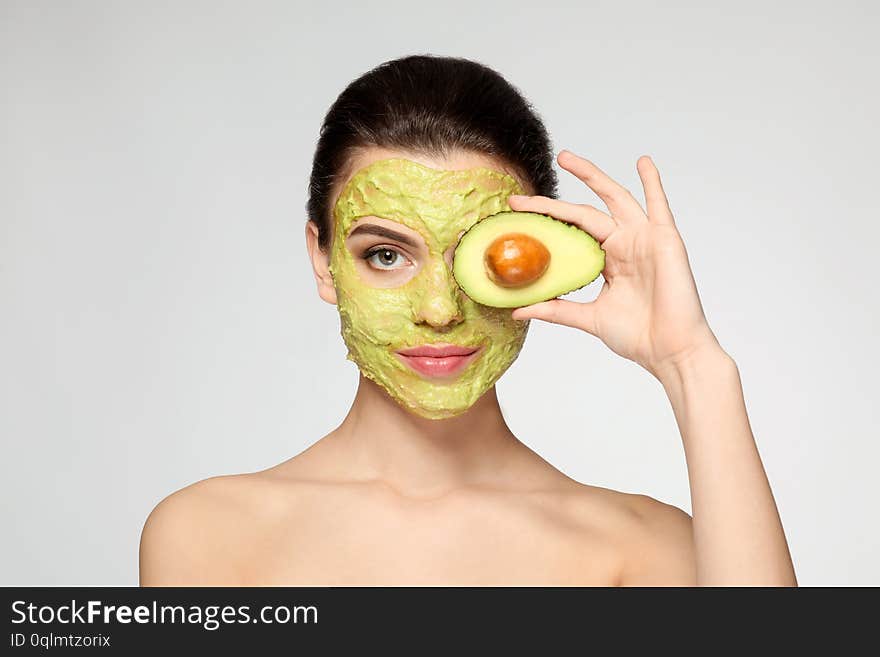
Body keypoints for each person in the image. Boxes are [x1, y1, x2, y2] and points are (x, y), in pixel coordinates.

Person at [139, 54, 797, 586]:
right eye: (386, 254)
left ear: (539, 260)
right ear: (323, 259)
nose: (438, 310)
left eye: (485, 255)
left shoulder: (645, 548)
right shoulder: (208, 534)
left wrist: (693, 365)